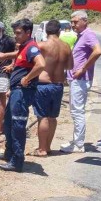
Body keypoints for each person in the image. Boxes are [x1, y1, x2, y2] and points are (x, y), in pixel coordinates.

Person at [0, 18, 46, 172]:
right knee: (9, 123)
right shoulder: (24, 47)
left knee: (17, 125)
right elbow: (19, 54)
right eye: (15, 33)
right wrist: (5, 57)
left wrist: (27, 78)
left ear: (28, 33)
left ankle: (17, 161)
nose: (15, 36)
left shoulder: (32, 47)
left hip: (22, 92)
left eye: (18, 33)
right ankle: (9, 153)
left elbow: (41, 64)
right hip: (16, 91)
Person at [61, 10, 101, 153]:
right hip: (76, 79)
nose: (73, 25)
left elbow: (97, 51)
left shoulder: (88, 34)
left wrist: (83, 69)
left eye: (76, 22)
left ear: (85, 21)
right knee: (75, 111)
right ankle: (76, 140)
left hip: (80, 79)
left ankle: (78, 144)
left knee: (78, 112)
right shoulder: (81, 36)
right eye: (72, 22)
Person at [31, 20, 71, 157]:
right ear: (59, 31)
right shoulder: (66, 46)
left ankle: (41, 149)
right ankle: (48, 147)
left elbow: (32, 62)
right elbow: (70, 66)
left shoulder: (41, 45)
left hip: (43, 85)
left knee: (42, 117)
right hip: (58, 85)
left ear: (46, 31)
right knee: (52, 117)